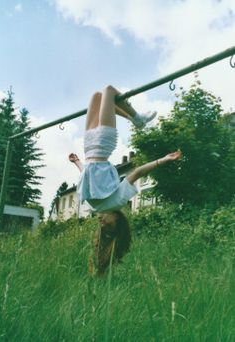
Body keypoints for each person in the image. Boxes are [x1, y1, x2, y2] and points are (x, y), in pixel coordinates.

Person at [69, 85, 182, 274]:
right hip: (102, 145)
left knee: (97, 96)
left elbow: (87, 177)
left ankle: (132, 118)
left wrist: (77, 162)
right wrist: (164, 160)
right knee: (109, 91)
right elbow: (136, 172)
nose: (103, 223)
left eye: (103, 226)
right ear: (118, 221)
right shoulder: (117, 201)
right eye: (110, 225)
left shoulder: (94, 207)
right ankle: (138, 118)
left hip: (88, 147)